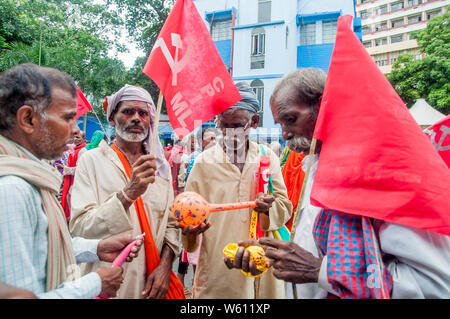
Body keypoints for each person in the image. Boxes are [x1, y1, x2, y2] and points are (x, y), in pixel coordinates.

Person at [230, 68, 450, 298]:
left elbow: (436, 286)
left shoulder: (386, 174)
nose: (284, 134)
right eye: (280, 124)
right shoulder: (317, 166)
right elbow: (314, 251)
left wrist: (319, 271)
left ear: (324, 107)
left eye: (291, 119)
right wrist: (273, 257)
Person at [0, 63, 142, 299]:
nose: (75, 129)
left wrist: (96, 248)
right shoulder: (13, 189)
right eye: (67, 118)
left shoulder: (32, 177)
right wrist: (95, 284)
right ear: (28, 119)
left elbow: (41, 246)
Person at [69, 84, 185, 299]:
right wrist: (127, 194)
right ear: (112, 119)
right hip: (108, 280)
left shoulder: (160, 167)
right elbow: (79, 227)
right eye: (128, 112)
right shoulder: (92, 161)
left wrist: (165, 267)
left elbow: (170, 224)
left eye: (143, 113)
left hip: (153, 282)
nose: (136, 118)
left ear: (150, 121)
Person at [180, 82, 292, 299]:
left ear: (254, 122)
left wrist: (268, 209)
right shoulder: (203, 163)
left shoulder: (267, 158)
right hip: (219, 266)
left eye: (238, 125)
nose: (230, 132)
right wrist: (189, 231)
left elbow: (285, 207)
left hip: (262, 260)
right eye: (224, 125)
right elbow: (187, 216)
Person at [60, 126, 86, 220]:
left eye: (78, 137)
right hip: (71, 181)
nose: (75, 139)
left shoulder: (83, 151)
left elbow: (81, 169)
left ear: (83, 139)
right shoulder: (75, 149)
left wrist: (65, 169)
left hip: (76, 182)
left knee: (73, 204)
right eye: (74, 136)